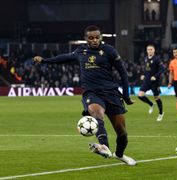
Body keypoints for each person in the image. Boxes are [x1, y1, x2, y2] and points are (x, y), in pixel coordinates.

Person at [33, 25, 137, 166]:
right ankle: (104, 146)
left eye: (97, 37)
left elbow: (123, 73)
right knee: (96, 114)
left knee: (122, 133)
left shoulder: (109, 51)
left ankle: (119, 155)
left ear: (100, 37)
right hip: (92, 92)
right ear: (86, 39)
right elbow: (64, 58)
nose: (94, 40)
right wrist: (44, 60)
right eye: (91, 38)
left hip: (111, 93)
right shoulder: (80, 51)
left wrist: (126, 96)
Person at [138, 45, 165, 121]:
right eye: (148, 49)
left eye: (151, 49)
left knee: (157, 98)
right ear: (146, 51)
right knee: (140, 95)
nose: (149, 51)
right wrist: (143, 74)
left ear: (154, 50)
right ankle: (151, 104)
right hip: (147, 81)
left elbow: (162, 68)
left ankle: (160, 113)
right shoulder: (146, 58)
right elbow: (146, 68)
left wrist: (155, 76)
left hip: (154, 82)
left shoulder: (157, 59)